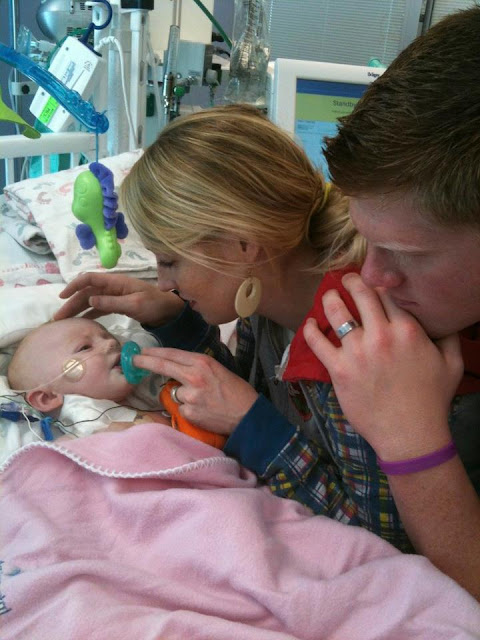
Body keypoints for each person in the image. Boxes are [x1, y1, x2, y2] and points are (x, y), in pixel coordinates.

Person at [52, 50, 478, 602]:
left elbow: (384, 549)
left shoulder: (349, 347)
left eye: (171, 261)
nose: (165, 280)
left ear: (242, 246)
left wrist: (255, 430)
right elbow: (257, 393)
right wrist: (177, 323)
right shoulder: (271, 301)